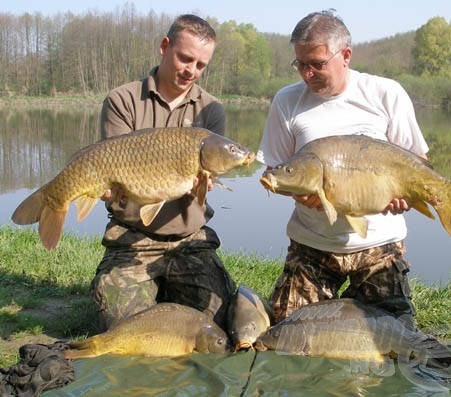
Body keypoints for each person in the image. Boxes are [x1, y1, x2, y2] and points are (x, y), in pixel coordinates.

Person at [257, 10, 429, 326]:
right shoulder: (286, 101)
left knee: (393, 337)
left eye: (317, 64)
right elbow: (275, 170)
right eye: (300, 64)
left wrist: (408, 197)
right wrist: (297, 194)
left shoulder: (385, 94)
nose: (307, 74)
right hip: (313, 243)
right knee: (287, 334)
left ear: (345, 55)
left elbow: (418, 164)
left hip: (380, 244)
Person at [91, 14, 235, 332]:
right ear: (164, 46)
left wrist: (204, 184)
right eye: (185, 58)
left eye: (200, 65)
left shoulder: (212, 110)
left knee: (215, 322)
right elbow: (109, 167)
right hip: (133, 238)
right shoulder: (123, 100)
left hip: (189, 238)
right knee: (122, 328)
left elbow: (205, 185)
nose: (191, 71)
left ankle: (169, 290)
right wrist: (108, 187)